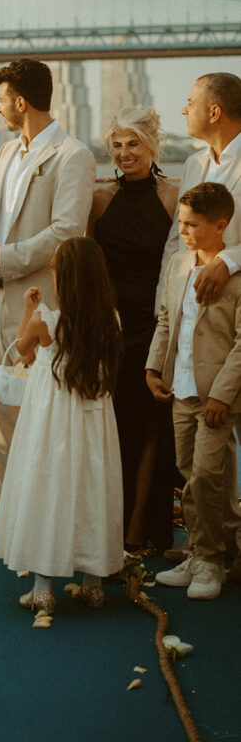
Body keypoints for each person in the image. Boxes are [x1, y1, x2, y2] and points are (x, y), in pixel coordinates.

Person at [0, 59, 96, 553]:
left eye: (0, 101)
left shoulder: (72, 155)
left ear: (20, 102)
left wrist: (6, 258)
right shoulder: (5, 154)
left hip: (44, 308)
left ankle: (48, 523)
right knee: (0, 411)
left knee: (45, 414)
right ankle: (3, 518)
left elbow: (67, 232)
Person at [0, 237, 124, 613]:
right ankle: (94, 584)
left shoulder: (45, 320)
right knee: (91, 485)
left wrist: (27, 309)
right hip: (94, 420)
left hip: (51, 419)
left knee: (47, 484)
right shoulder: (111, 319)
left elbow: (21, 351)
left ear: (64, 279)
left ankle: (43, 587)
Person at [156, 73, 241, 569]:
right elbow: (178, 240)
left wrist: (229, 261)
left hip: (235, 313)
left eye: (189, 102)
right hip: (194, 324)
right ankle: (215, 548)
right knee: (205, 458)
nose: (181, 109)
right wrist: (163, 305)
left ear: (214, 111)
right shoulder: (192, 163)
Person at [88, 107, 178, 552]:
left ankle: (145, 527)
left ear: (152, 147)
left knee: (153, 430)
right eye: (117, 145)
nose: (124, 154)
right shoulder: (100, 198)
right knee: (116, 427)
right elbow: (85, 265)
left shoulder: (173, 198)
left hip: (156, 325)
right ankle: (112, 525)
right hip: (111, 324)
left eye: (133, 144)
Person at [148, 183, 241, 600]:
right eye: (181, 223)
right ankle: (201, 551)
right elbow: (166, 319)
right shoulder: (177, 266)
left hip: (216, 394)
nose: (183, 232)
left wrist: (223, 393)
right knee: (188, 473)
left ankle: (212, 561)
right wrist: (153, 366)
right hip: (179, 388)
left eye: (192, 225)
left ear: (221, 226)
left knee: (208, 475)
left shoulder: (235, 278)